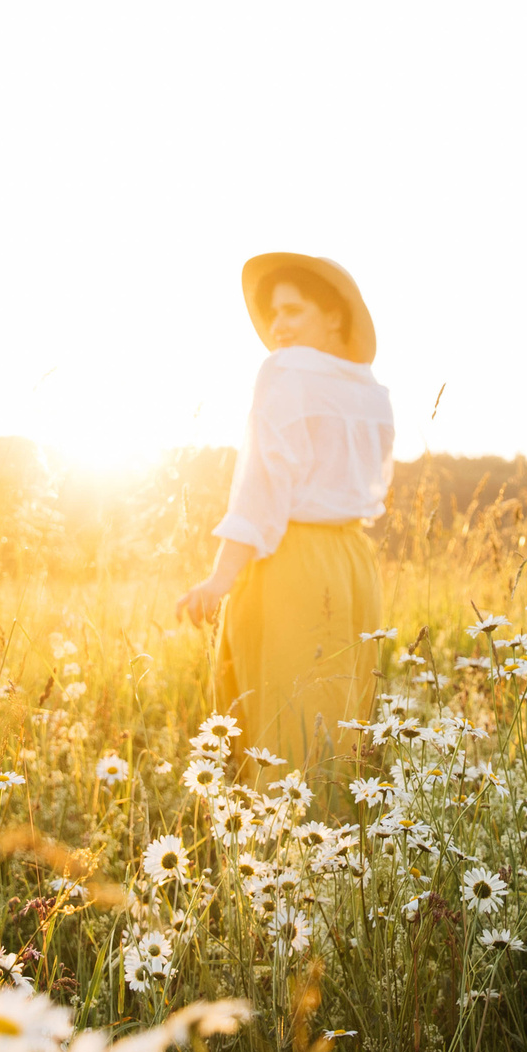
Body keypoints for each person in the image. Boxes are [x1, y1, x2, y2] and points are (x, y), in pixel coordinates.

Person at [179, 253, 395, 774]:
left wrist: (220, 578)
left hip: (290, 561)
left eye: (293, 311)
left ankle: (276, 827)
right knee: (340, 722)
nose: (278, 326)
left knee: (281, 724)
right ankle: (339, 828)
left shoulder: (284, 371)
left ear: (334, 316)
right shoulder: (370, 390)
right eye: (273, 314)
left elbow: (264, 485)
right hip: (354, 565)